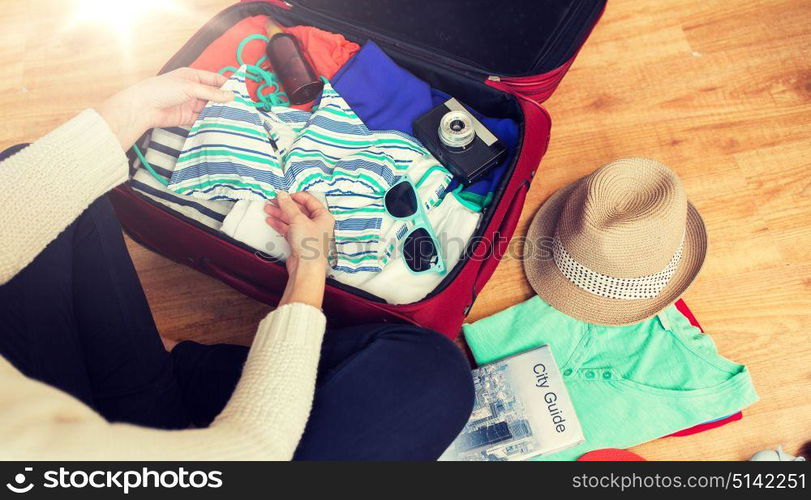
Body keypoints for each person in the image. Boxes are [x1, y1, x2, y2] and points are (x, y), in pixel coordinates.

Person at [0, 68, 474, 460]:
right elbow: (252, 449)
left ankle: (158, 364)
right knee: (433, 375)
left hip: (72, 424)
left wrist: (132, 110)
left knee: (38, 180)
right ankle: (162, 370)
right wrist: (308, 268)